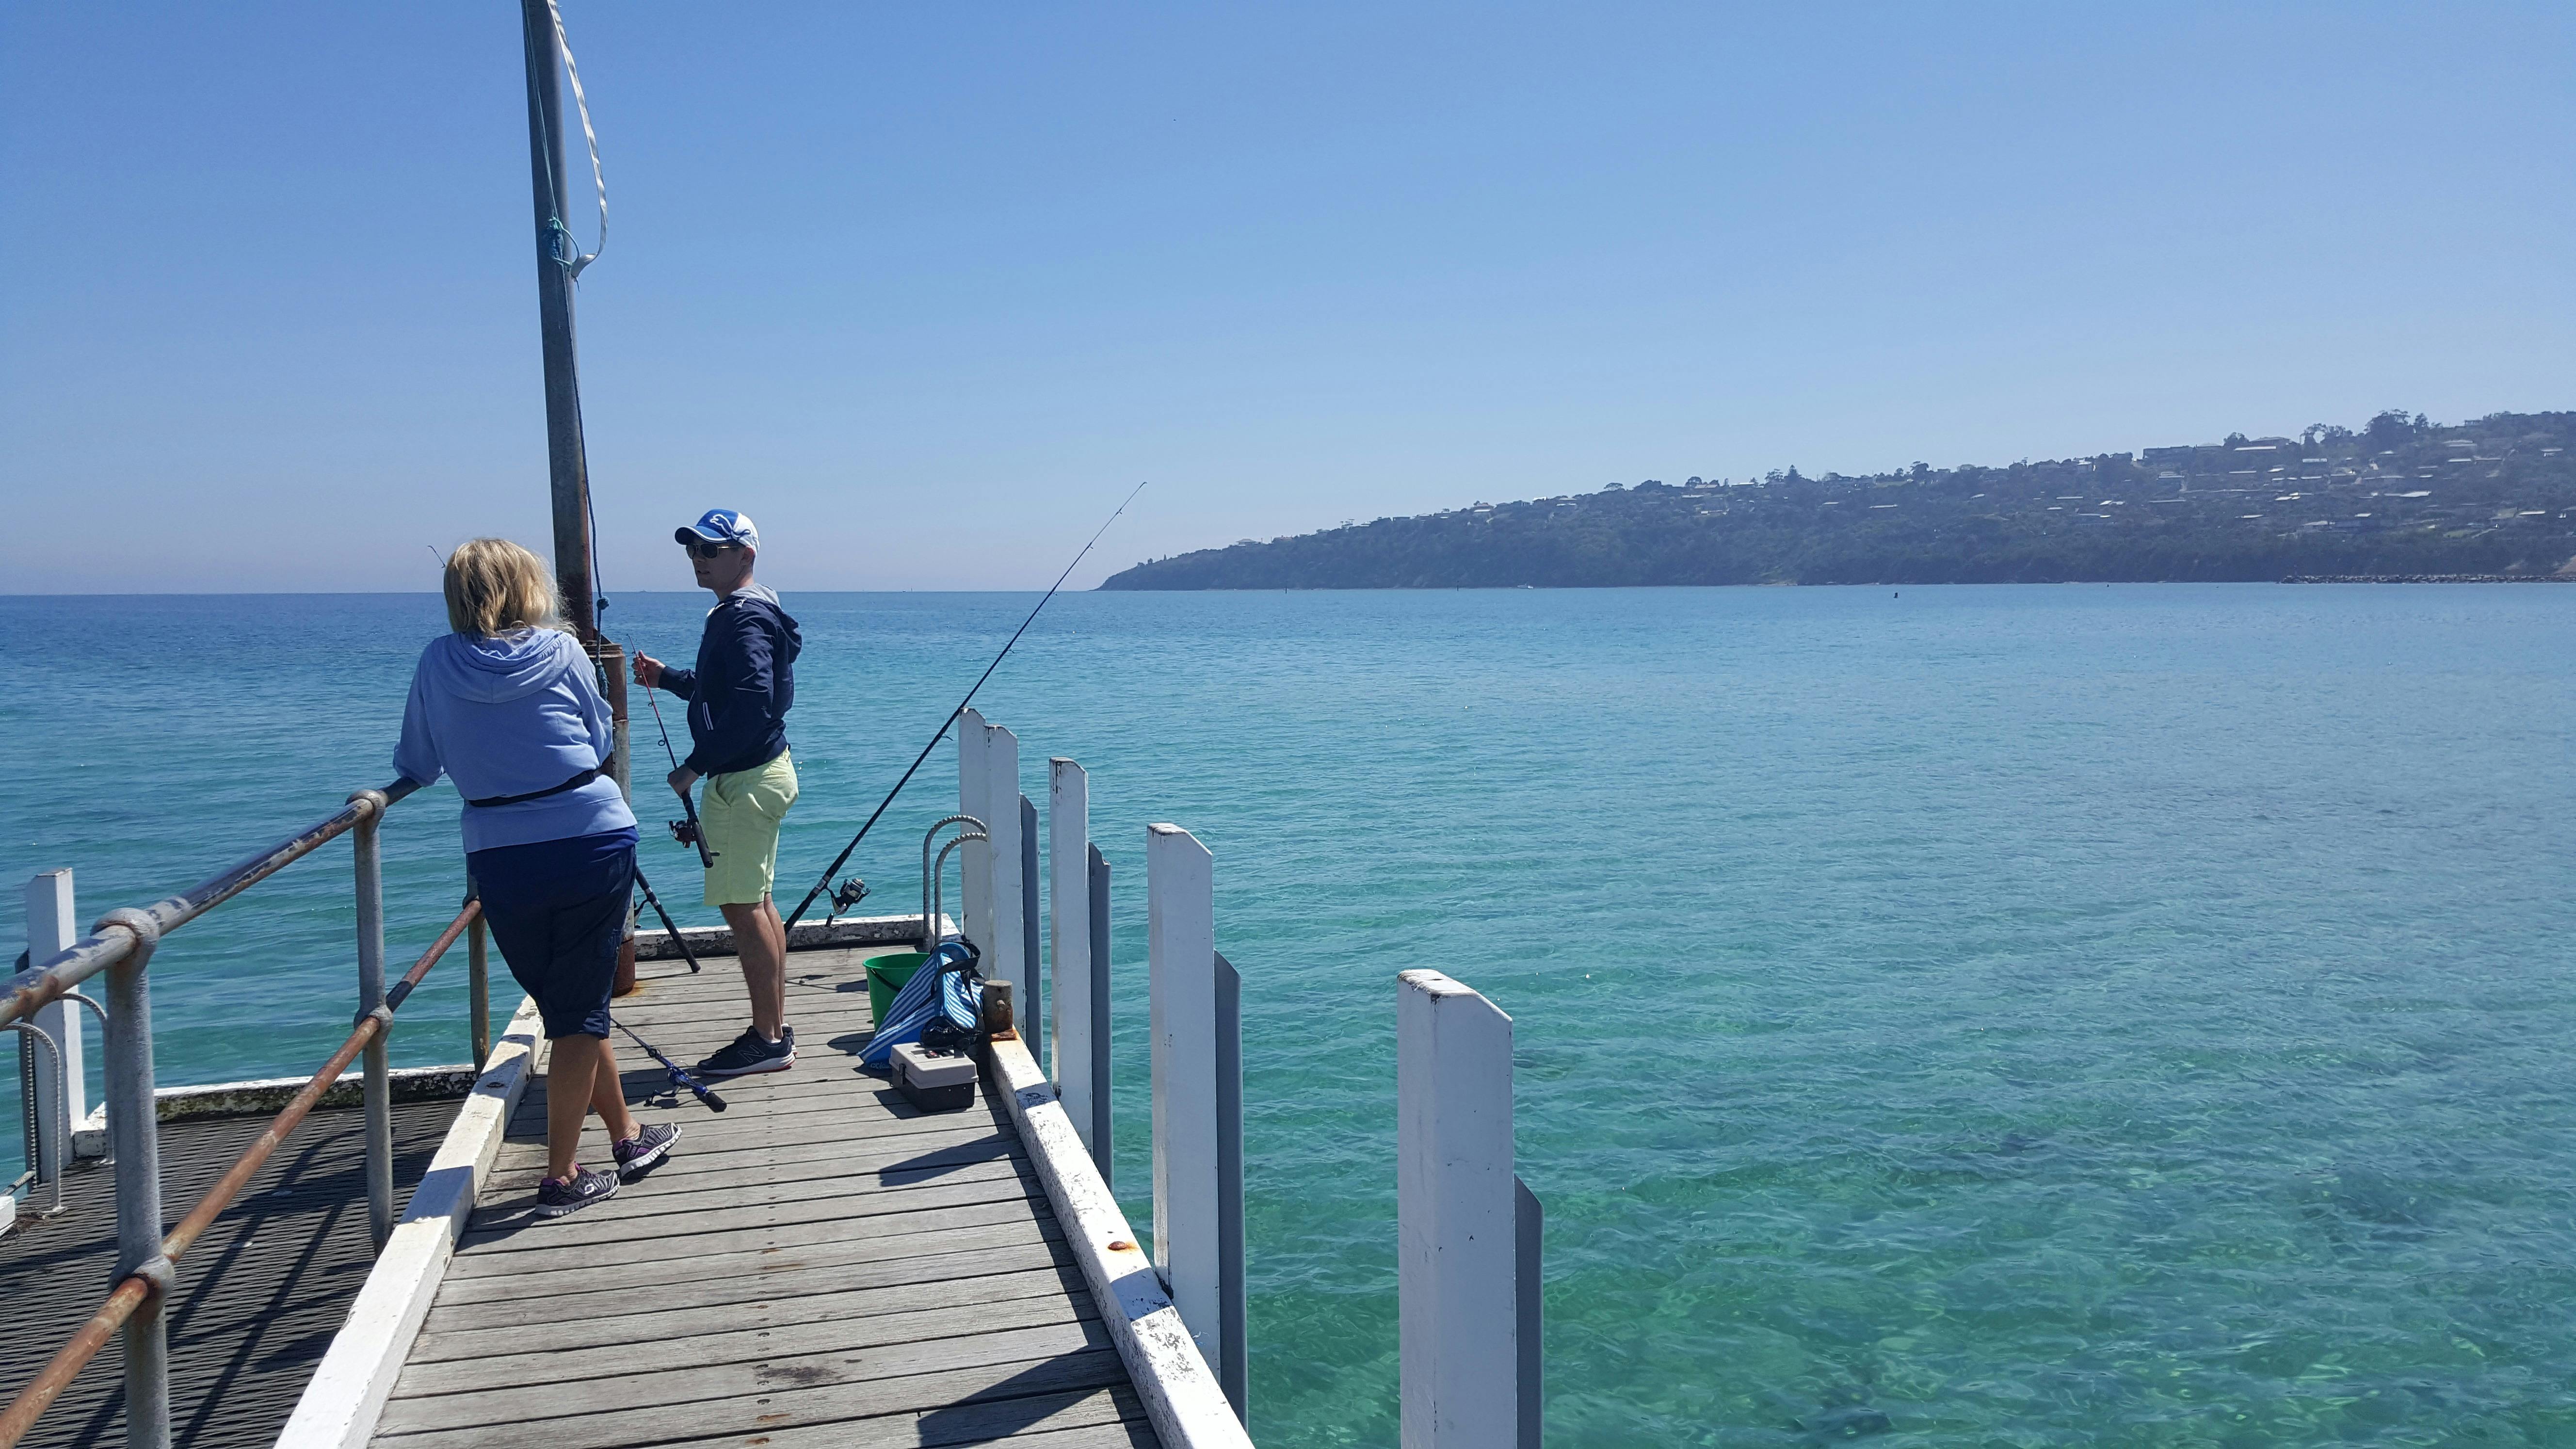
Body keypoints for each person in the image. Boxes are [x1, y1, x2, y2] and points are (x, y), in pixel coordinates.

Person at [395, 538, 680, 1218]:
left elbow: (419, 761)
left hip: (499, 850)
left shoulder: (437, 661)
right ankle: (560, 1177)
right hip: (590, 837)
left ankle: (627, 1137)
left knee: (570, 1004)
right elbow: (602, 740)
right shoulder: (563, 651)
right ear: (530, 588)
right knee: (574, 1007)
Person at [631, 509, 805, 1078]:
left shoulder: (740, 620)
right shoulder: (754, 613)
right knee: (758, 902)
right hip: (762, 773)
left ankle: (767, 1039)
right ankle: (773, 1026)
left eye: (710, 550)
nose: (698, 560)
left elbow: (755, 702)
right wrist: (670, 679)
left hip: (744, 781)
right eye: (693, 551)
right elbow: (725, 694)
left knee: (743, 907)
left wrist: (694, 766)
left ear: (745, 556)